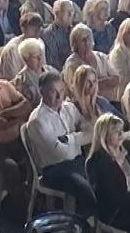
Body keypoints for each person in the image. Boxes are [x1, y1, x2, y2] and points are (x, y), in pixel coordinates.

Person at [25, 71, 97, 217]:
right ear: (42, 92)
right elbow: (60, 152)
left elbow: (91, 132)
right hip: (55, 169)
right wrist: (79, 138)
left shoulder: (69, 108)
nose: (59, 96)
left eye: (62, 91)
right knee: (85, 189)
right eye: (53, 92)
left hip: (76, 161)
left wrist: (69, 139)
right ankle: (78, 226)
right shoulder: (37, 120)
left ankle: (91, 222)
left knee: (103, 176)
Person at [61, 25, 121, 104]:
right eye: (83, 40)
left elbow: (116, 80)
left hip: (108, 103)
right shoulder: (71, 64)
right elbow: (78, 91)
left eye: (88, 38)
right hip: (84, 106)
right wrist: (105, 81)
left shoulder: (101, 57)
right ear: (75, 44)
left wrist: (92, 84)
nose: (86, 42)